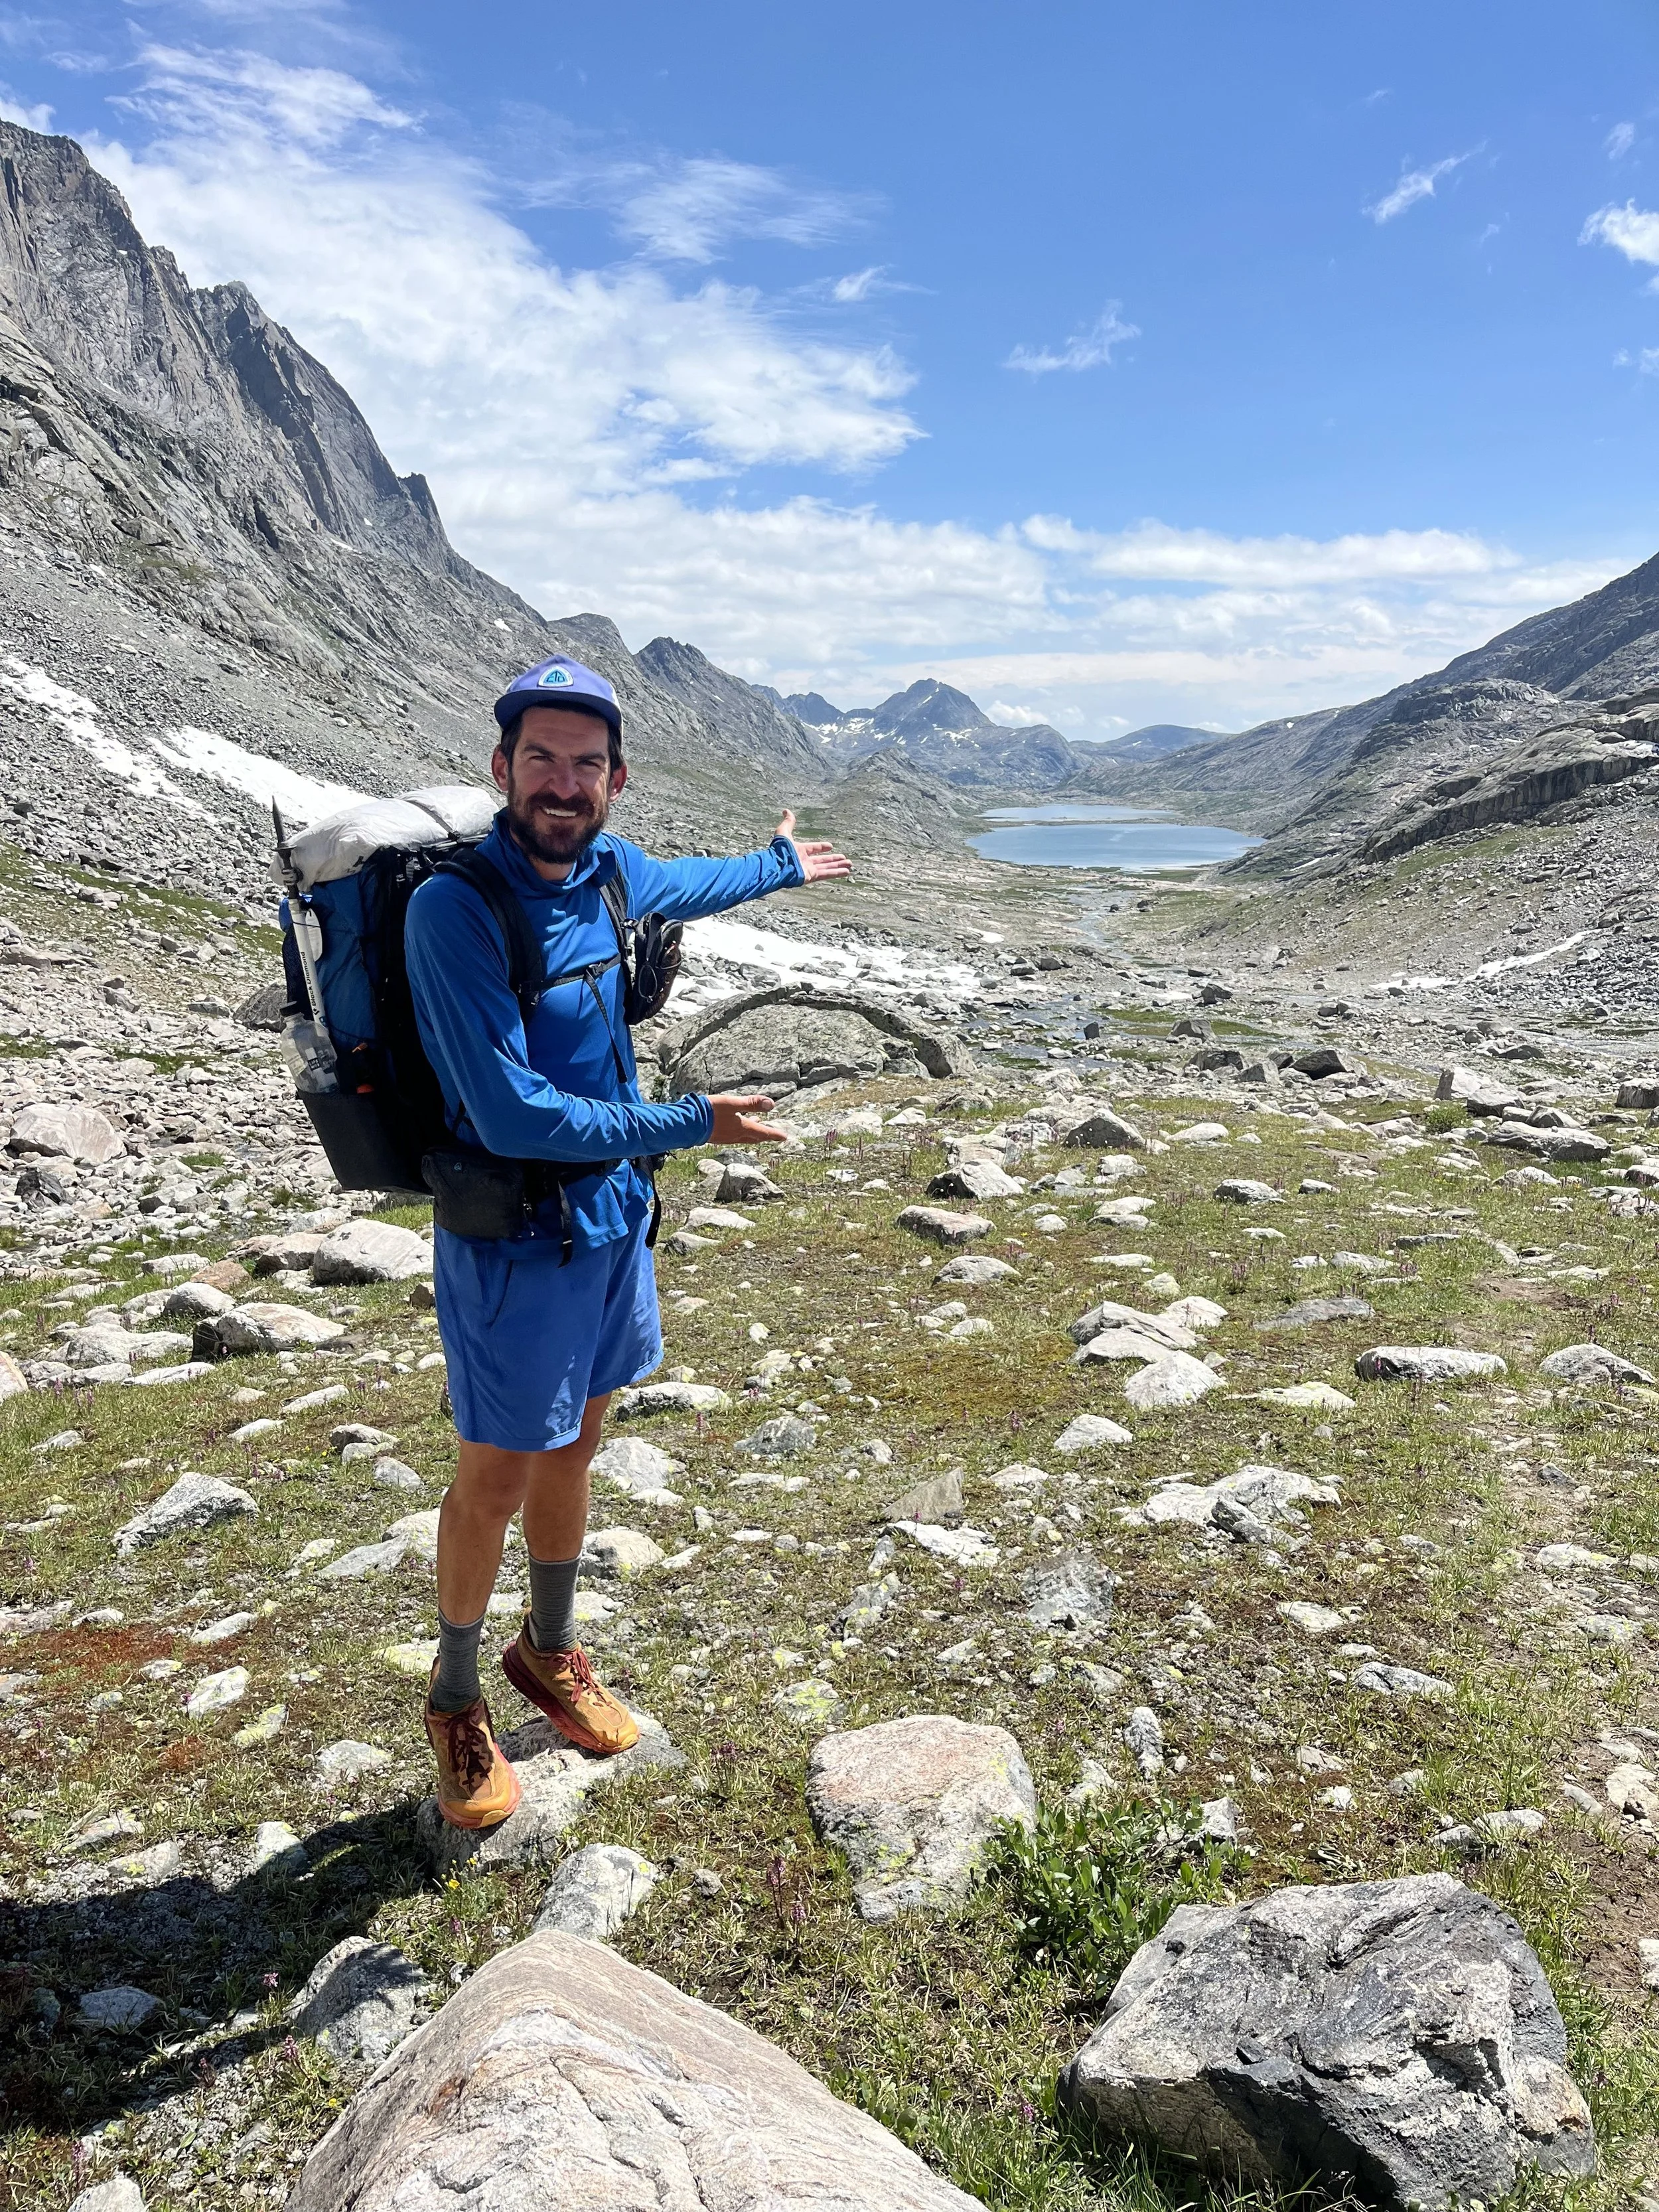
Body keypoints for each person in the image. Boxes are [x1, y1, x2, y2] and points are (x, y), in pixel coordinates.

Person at [403, 654, 851, 1829]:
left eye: (585, 763)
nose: (562, 781)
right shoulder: (453, 908)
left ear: (615, 781)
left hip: (612, 1226)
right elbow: (510, 1113)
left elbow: (684, 884)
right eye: (540, 758)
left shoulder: (609, 870)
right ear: (500, 768)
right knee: (493, 1474)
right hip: (511, 1243)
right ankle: (454, 1697)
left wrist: (775, 866)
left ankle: (549, 1651)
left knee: (578, 1446)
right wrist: (690, 1122)